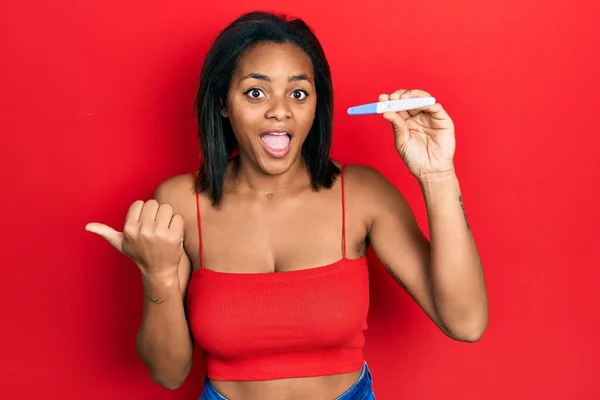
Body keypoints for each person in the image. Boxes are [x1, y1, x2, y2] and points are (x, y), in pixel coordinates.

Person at [85, 10, 488, 400]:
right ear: (224, 103)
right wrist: (157, 275)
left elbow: (466, 323)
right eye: (255, 92)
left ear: (317, 104)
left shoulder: (363, 192)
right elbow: (168, 374)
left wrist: (437, 174)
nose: (280, 111)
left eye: (298, 93)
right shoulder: (180, 203)